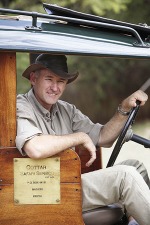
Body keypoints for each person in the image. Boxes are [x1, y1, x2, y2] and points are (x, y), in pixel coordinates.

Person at [16, 54, 150, 225]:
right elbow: (35, 148)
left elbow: (103, 137)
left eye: (61, 81)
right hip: (45, 190)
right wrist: (78, 137)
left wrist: (123, 109)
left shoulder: (66, 110)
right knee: (126, 176)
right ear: (34, 79)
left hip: (69, 183)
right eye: (49, 79)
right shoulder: (20, 106)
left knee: (135, 167)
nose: (55, 87)